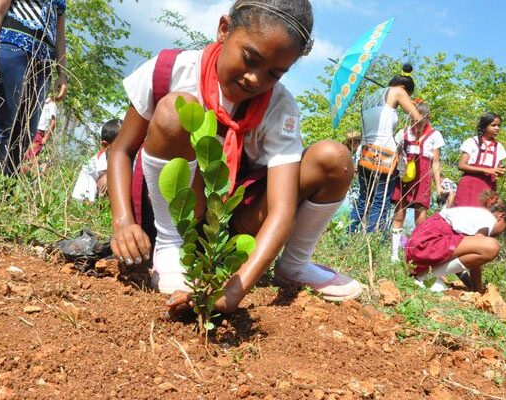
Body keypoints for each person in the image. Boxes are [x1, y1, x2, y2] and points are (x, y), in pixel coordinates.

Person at [108, 0, 362, 315]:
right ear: (224, 29)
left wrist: (234, 290)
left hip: (234, 227)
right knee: (177, 111)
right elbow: (121, 150)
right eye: (249, 59)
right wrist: (123, 223)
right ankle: (171, 249)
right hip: (177, 213)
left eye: (274, 74)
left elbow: (280, 212)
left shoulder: (279, 109)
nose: (255, 79)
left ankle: (293, 266)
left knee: (334, 159)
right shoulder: (172, 71)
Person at [0, 0, 68, 179]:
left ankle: (6, 191)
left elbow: (60, 34)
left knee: (27, 130)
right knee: (4, 123)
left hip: (44, 63)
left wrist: (62, 73)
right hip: (13, 48)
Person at [349, 63, 423, 233]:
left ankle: (349, 234)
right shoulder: (398, 92)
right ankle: (374, 239)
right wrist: (411, 104)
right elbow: (418, 118)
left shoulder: (369, 98)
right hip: (385, 155)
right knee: (380, 200)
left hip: (365, 153)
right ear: (404, 87)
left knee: (364, 198)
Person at [405, 191, 506, 293]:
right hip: (424, 246)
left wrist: (469, 284)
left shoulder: (475, 216)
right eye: (505, 228)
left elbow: (457, 259)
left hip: (417, 250)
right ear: (501, 216)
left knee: (484, 246)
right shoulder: (488, 219)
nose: (501, 233)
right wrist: (477, 289)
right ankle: (425, 277)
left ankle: (425, 276)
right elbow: (477, 263)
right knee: (492, 246)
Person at [390, 101, 444, 262]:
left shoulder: (435, 135)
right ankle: (394, 255)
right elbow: (397, 155)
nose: (416, 125)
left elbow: (435, 162)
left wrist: (439, 185)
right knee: (399, 214)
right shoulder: (403, 133)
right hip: (403, 175)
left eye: (420, 122)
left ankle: (415, 254)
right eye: (413, 121)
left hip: (422, 178)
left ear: (427, 118)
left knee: (420, 217)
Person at [454, 112, 506, 207]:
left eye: (499, 126)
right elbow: (461, 165)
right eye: (493, 125)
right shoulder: (472, 142)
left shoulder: (498, 147)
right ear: (484, 126)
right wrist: (486, 170)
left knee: (484, 216)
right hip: (469, 186)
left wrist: (501, 172)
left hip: (488, 188)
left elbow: (498, 170)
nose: (497, 128)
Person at [72, 119, 121, 203]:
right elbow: (82, 200)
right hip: (102, 206)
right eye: (122, 144)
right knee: (107, 181)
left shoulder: (132, 161)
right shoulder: (92, 165)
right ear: (105, 145)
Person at [24, 96, 57, 161]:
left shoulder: (50, 104)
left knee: (30, 156)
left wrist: (46, 137)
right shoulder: (46, 102)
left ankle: (22, 170)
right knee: (27, 154)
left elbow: (53, 121)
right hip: (34, 131)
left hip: (38, 132)